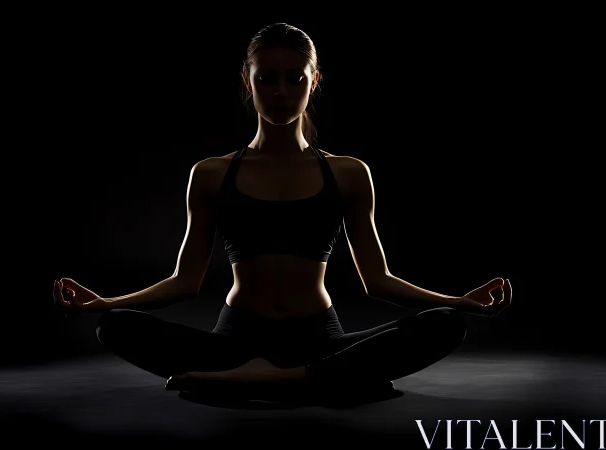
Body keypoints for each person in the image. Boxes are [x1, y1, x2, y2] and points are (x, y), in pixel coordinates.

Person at [52, 22, 512, 404]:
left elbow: (378, 281)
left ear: (313, 82)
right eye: (266, 78)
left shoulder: (348, 173)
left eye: (295, 78)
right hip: (234, 342)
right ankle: (319, 381)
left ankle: (273, 380)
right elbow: (184, 282)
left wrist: (459, 302)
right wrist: (107, 303)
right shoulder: (211, 173)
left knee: (444, 325)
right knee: (114, 327)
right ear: (247, 82)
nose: (280, 91)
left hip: (319, 338)